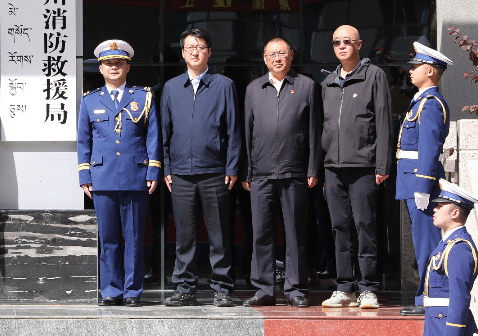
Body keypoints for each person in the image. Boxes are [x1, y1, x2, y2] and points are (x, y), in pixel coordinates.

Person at [161, 27, 242, 307]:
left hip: (215, 172)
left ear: (209, 51)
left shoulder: (224, 85)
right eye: (189, 47)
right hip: (181, 174)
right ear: (183, 53)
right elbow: (165, 133)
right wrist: (167, 167)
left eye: (200, 46)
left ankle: (222, 287)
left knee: (219, 233)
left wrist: (232, 166)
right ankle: (184, 287)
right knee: (185, 234)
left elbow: (233, 130)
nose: (194, 51)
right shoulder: (171, 87)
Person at [77, 40, 161, 307]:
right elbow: (83, 141)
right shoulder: (90, 100)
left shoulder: (142, 97)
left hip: (135, 176)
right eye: (108, 64)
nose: (114, 67)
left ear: (128, 67)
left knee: (135, 239)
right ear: (101, 69)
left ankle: (133, 291)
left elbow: (153, 136)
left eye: (119, 63)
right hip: (102, 177)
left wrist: (153, 170)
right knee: (108, 238)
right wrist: (84, 176)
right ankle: (111, 290)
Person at [241, 38, 321, 308]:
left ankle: (295, 287)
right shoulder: (254, 89)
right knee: (261, 233)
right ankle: (264, 288)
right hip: (261, 173)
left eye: (282, 54)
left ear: (291, 56)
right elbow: (247, 132)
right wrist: (247, 171)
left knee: (295, 232)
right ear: (264, 59)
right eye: (272, 54)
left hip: (295, 171)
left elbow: (314, 130)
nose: (277, 58)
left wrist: (312, 167)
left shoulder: (307, 86)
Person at [320, 25, 393, 309]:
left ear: (359, 44)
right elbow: (323, 126)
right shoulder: (327, 82)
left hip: (364, 165)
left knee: (365, 226)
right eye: (336, 42)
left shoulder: (373, 75)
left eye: (347, 41)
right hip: (333, 166)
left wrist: (383, 163)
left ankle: (368, 287)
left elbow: (384, 122)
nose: (341, 46)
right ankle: (344, 287)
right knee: (339, 227)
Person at [398, 42, 452, 316]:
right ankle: (426, 296)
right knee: (423, 243)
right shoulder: (421, 101)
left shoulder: (430, 104)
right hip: (413, 182)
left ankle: (428, 298)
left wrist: (422, 186)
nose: (411, 71)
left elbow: (429, 148)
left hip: (422, 184)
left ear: (429, 70)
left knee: (427, 244)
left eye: (416, 66)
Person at [423, 179, 478, 336]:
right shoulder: (447, 244)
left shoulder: (459, 248)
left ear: (455, 213)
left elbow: (459, 298)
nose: (435, 209)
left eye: (440, 206)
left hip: (446, 327)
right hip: (436, 323)